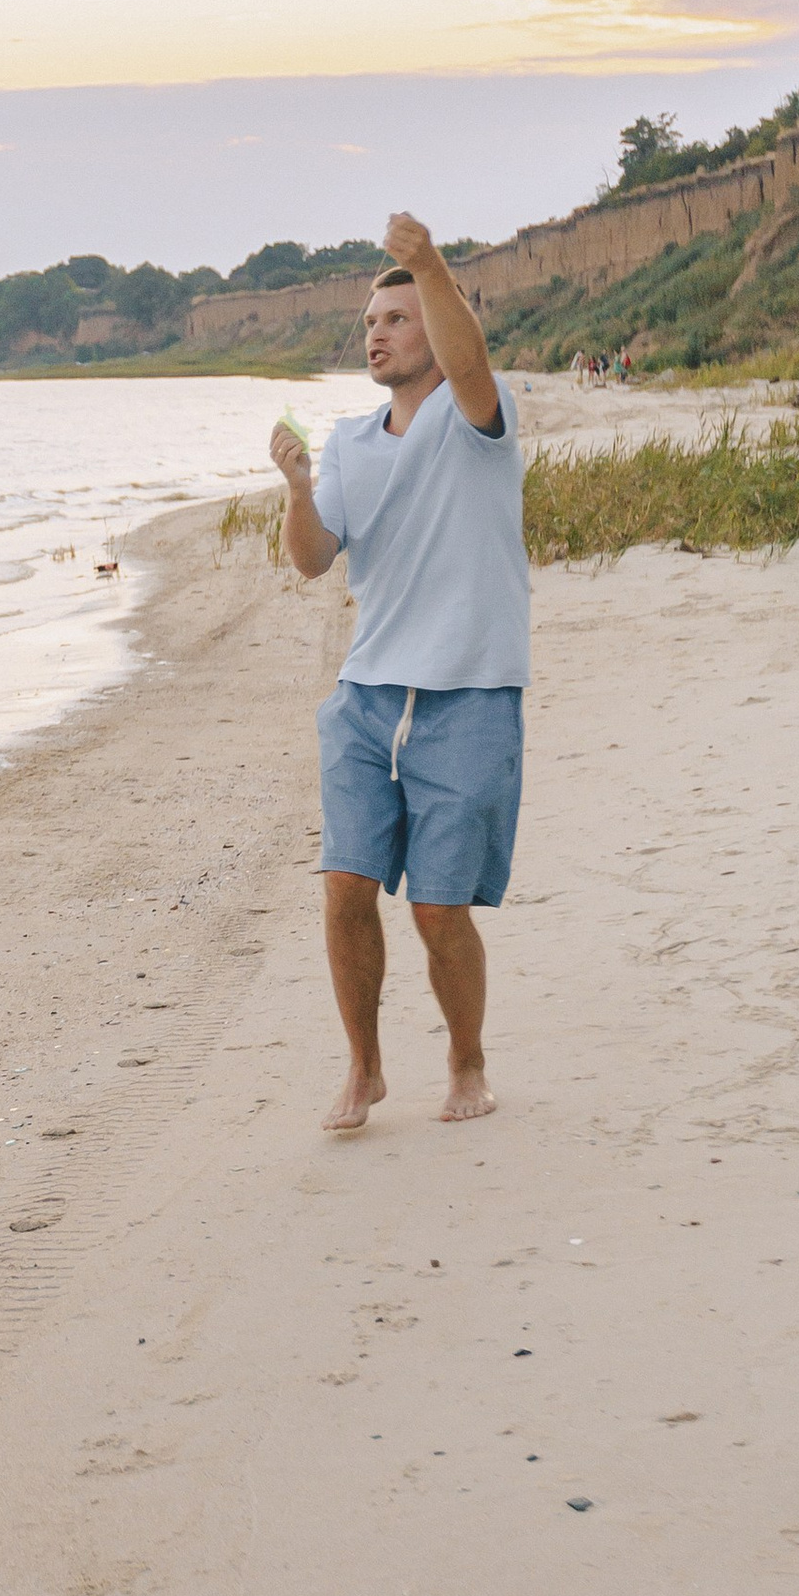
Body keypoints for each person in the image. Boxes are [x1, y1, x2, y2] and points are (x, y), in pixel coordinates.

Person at [267, 213, 528, 1133]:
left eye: (398, 318)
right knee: (345, 887)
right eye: (370, 322)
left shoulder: (477, 419)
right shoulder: (351, 440)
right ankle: (365, 1070)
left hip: (469, 694)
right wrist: (300, 490)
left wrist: (429, 264)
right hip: (368, 696)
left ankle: (466, 1060)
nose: (377, 333)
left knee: (439, 908)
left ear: (439, 324)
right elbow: (311, 559)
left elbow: (467, 361)